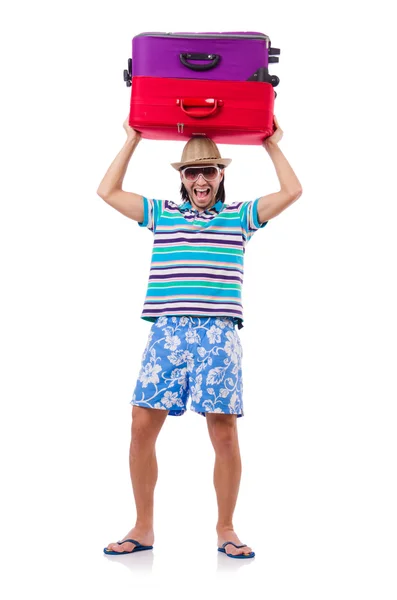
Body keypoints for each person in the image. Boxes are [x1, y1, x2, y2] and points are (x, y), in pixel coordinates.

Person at [97, 116, 302, 559]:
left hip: (218, 334)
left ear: (220, 175)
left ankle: (226, 529)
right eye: (192, 172)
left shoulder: (240, 216)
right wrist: (132, 140)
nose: (200, 179)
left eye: (209, 170)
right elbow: (107, 192)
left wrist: (270, 144)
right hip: (167, 331)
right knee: (140, 427)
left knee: (223, 431)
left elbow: (291, 192)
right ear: (183, 180)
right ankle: (143, 527)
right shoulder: (162, 214)